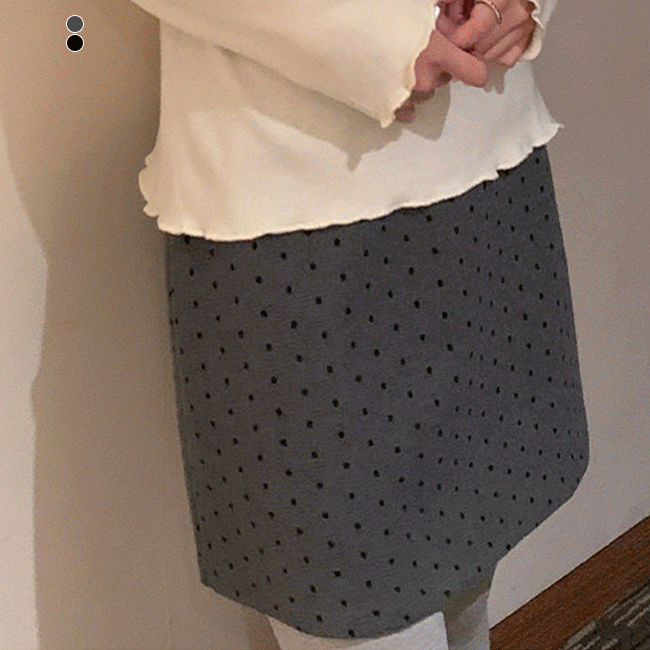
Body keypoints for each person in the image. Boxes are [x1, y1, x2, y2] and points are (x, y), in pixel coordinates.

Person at [128, 0, 590, 647]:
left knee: (470, 571)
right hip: (294, 205)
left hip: (485, 149)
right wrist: (380, 35)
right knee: (358, 609)